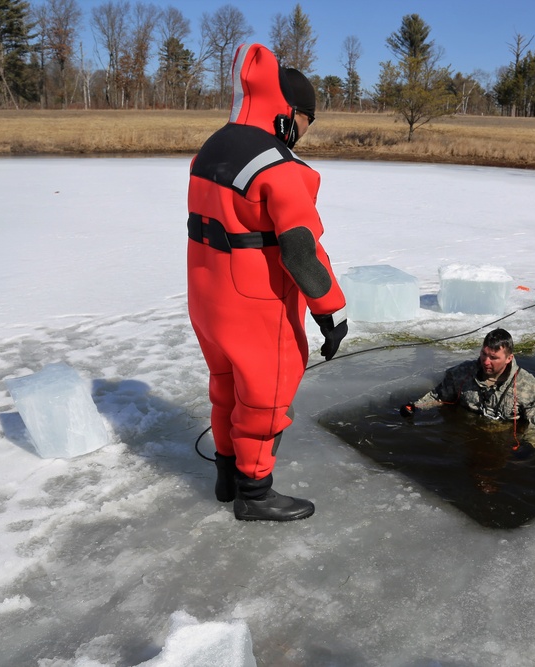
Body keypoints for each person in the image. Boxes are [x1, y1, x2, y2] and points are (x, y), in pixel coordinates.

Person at [186, 43, 347, 522]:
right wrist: (330, 311)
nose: (302, 134)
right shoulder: (280, 168)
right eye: (305, 123)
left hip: (207, 299)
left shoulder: (211, 147)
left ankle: (226, 474)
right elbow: (301, 251)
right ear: (288, 114)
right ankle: (255, 494)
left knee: (225, 386)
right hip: (256, 304)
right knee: (265, 397)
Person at [400, 329, 535, 450]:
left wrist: (529, 446)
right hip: (467, 436)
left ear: (509, 358)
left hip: (503, 441)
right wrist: (415, 406)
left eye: (494, 358)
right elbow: (439, 396)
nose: (486, 362)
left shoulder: (532, 388)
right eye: (484, 354)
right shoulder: (462, 373)